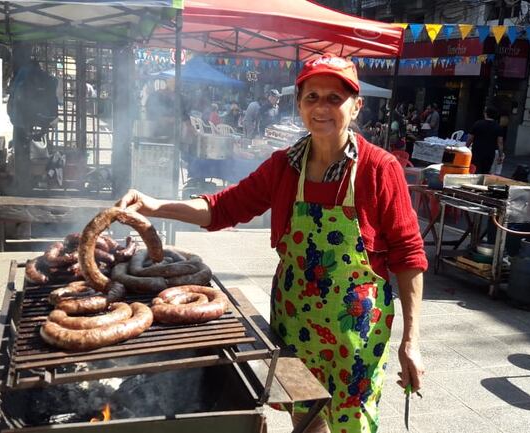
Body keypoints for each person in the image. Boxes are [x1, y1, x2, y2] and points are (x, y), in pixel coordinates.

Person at [116, 54, 426, 433]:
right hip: (296, 322)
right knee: (306, 416)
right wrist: (155, 205)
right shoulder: (284, 166)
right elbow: (221, 208)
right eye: (312, 97)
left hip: (356, 332)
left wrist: (411, 340)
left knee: (352, 423)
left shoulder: (380, 169)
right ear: (298, 105)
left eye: (334, 98)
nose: (322, 107)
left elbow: (409, 255)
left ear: (356, 106)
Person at [466, 106, 504, 174]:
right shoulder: (498, 127)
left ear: (485, 114)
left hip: (477, 151)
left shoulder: (477, 124)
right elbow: (500, 143)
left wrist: (466, 148)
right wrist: (500, 155)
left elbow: (470, 138)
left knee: (475, 170)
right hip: (489, 153)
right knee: (485, 171)